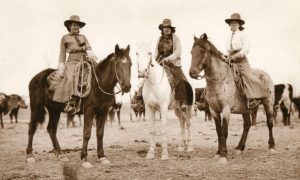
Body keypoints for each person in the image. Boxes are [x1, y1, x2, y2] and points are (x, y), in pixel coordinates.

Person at [53, 15, 97, 114]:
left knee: (96, 75)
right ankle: (71, 102)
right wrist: (61, 66)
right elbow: (62, 54)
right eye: (73, 25)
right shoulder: (65, 38)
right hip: (72, 61)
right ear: (69, 26)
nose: (75, 27)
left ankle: (95, 101)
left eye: (77, 25)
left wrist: (92, 58)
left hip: (84, 60)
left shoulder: (83, 37)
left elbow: (89, 49)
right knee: (70, 78)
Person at [224, 13, 269, 108]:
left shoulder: (243, 34)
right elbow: (228, 50)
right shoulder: (228, 37)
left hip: (241, 59)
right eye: (232, 23)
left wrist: (236, 56)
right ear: (230, 25)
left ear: (239, 25)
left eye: (235, 23)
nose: (233, 25)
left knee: (247, 76)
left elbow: (246, 48)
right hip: (230, 59)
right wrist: (226, 57)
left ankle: (251, 98)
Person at [155, 18, 193, 111]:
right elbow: (156, 51)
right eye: (164, 27)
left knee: (181, 79)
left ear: (171, 28)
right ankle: (142, 99)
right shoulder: (159, 38)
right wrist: (155, 61)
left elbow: (178, 51)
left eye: (168, 27)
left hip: (172, 63)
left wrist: (168, 58)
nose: (166, 29)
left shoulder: (175, 37)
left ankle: (182, 101)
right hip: (159, 62)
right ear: (162, 29)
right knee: (148, 75)